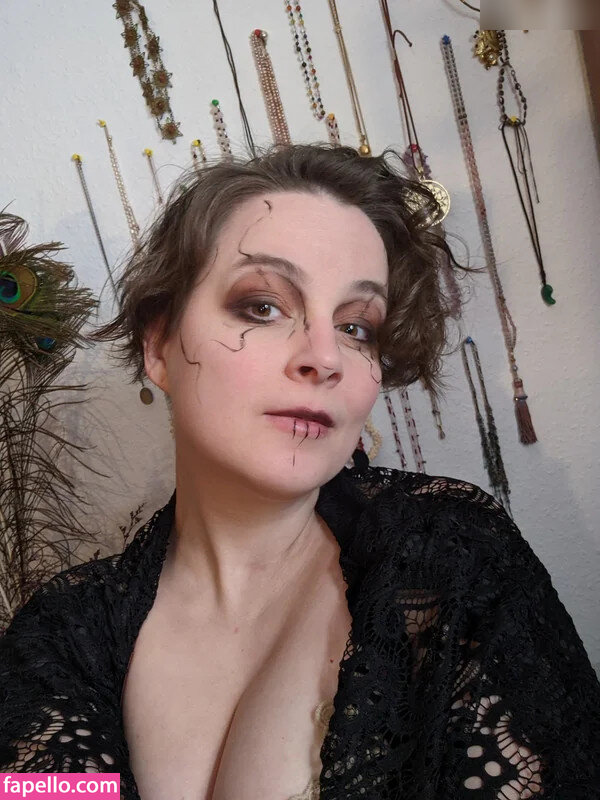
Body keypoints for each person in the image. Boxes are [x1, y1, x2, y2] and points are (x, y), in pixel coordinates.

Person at [1, 143, 599, 800]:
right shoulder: (58, 633)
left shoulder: (448, 556)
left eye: (357, 327)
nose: (325, 356)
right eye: (263, 306)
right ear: (159, 347)